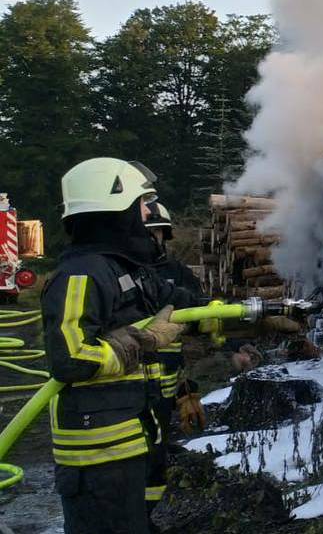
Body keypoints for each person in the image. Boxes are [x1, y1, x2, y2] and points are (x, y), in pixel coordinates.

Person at [41, 158, 201, 534]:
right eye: (142, 204)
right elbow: (72, 357)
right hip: (97, 451)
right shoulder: (81, 273)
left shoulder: (126, 270)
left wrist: (251, 319)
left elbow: (180, 306)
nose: (148, 214)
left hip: (131, 435)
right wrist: (145, 342)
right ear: (116, 209)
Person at [140, 201, 206, 512]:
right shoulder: (120, 275)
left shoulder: (176, 274)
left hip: (166, 379)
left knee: (157, 452)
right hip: (128, 382)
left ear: (164, 236)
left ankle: (148, 517)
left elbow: (204, 314)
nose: (150, 240)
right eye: (144, 232)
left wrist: (237, 349)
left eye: (155, 233)